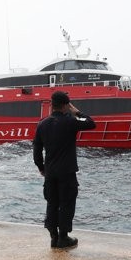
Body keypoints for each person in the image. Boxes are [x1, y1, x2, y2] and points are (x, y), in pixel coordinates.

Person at [33, 90, 96, 249]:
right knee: (67, 203)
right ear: (65, 105)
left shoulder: (42, 124)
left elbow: (37, 149)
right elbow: (90, 123)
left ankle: (53, 237)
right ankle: (63, 237)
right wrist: (77, 111)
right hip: (67, 172)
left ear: (52, 104)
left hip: (50, 172)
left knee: (51, 203)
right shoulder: (71, 121)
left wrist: (41, 167)